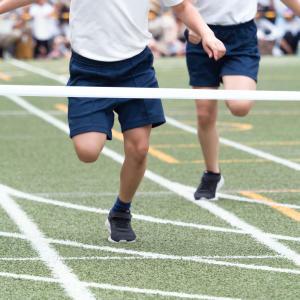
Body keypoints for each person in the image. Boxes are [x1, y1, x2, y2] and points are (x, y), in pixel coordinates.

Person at [0, 0, 225, 242]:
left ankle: (121, 212)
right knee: (87, 151)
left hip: (136, 68)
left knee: (139, 148)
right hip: (89, 70)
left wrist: (207, 33)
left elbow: (182, 7)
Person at [185, 0, 300, 201]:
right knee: (204, 113)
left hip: (241, 36)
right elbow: (181, 5)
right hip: (202, 32)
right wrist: (190, 27)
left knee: (240, 106)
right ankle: (212, 174)